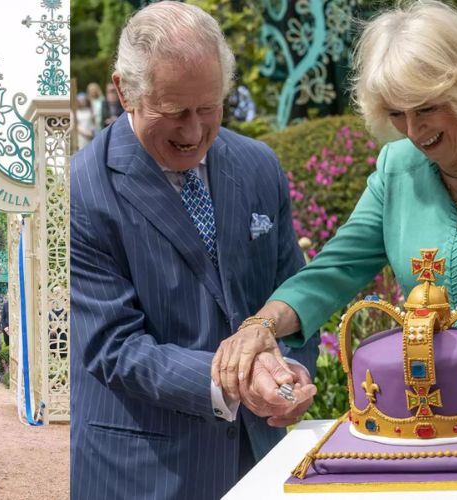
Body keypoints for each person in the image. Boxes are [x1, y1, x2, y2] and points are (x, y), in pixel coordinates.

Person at [213, 0, 457, 416]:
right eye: (397, 113)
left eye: (428, 108)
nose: (414, 132)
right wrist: (262, 325)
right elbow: (334, 269)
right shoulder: (397, 168)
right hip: (432, 429)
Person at [70, 3, 319, 498]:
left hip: (257, 464)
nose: (193, 132)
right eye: (173, 112)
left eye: (208, 108)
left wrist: (291, 370)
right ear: (124, 91)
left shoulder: (257, 165)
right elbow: (113, 348)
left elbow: (293, 292)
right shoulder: (82, 189)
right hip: (142, 472)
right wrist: (238, 377)